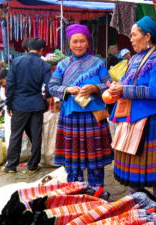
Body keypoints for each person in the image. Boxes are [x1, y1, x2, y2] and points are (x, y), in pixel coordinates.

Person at [108, 16, 156, 207]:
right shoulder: (134, 59)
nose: (131, 39)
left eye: (134, 35)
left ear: (147, 36)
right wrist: (116, 86)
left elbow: (155, 91)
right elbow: (127, 82)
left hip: (149, 122)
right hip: (131, 121)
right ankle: (136, 212)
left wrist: (124, 90)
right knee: (134, 177)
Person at [48, 24, 113, 187]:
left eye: (82, 41)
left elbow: (109, 84)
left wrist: (95, 88)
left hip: (93, 117)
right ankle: (76, 192)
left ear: (88, 43)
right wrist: (67, 89)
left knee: (95, 160)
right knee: (73, 160)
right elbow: (52, 87)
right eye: (75, 41)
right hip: (71, 118)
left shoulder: (98, 63)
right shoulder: (63, 65)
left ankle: (97, 192)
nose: (78, 45)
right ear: (69, 44)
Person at [2, 38, 51, 173]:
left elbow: (10, 85)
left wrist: (9, 104)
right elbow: (49, 86)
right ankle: (32, 166)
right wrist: (46, 98)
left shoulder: (16, 62)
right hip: (36, 104)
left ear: (28, 48)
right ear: (42, 50)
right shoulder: (44, 65)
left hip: (19, 104)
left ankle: (11, 166)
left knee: (16, 135)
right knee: (36, 136)